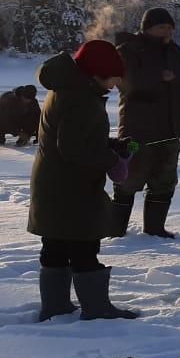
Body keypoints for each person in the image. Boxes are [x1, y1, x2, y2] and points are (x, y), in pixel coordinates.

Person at [29, 40, 138, 321]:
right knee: (84, 245)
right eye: (114, 76)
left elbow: (73, 140)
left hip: (53, 183)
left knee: (56, 245)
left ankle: (55, 307)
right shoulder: (81, 98)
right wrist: (113, 159)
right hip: (71, 187)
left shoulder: (68, 89)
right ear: (97, 73)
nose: (117, 83)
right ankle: (97, 310)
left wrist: (110, 145)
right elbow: (74, 148)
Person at [111, 7, 180, 238]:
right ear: (147, 27)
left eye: (170, 27)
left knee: (164, 182)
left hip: (171, 131)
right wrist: (157, 77)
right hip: (136, 132)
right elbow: (123, 82)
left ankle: (155, 230)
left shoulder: (178, 54)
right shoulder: (129, 50)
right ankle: (115, 230)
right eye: (162, 26)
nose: (167, 31)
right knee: (128, 181)